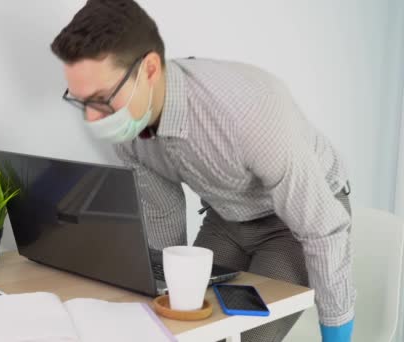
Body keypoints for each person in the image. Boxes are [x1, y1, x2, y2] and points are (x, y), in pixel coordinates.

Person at [50, 1, 355, 341]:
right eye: (81, 101)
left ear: (150, 69)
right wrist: (158, 303)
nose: (92, 119)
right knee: (187, 331)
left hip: (295, 225)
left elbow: (321, 229)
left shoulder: (249, 112)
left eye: (102, 98)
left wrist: (338, 334)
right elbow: (162, 213)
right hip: (227, 219)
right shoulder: (127, 126)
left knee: (247, 338)